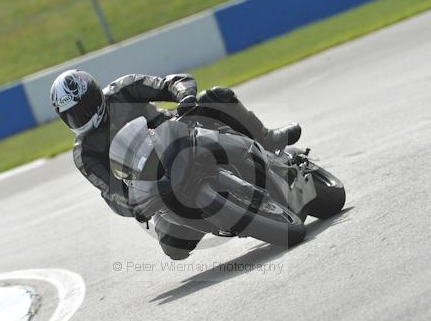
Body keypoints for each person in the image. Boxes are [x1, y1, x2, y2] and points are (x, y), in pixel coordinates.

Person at [50, 69, 302, 260]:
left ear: (95, 97)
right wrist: (132, 205)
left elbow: (172, 82)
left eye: (82, 110)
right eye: (70, 116)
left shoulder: (123, 89)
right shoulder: (84, 153)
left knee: (215, 97)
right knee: (174, 247)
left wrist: (185, 97)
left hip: (179, 137)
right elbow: (110, 191)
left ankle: (267, 139)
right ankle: (220, 218)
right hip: (152, 184)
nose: (78, 119)